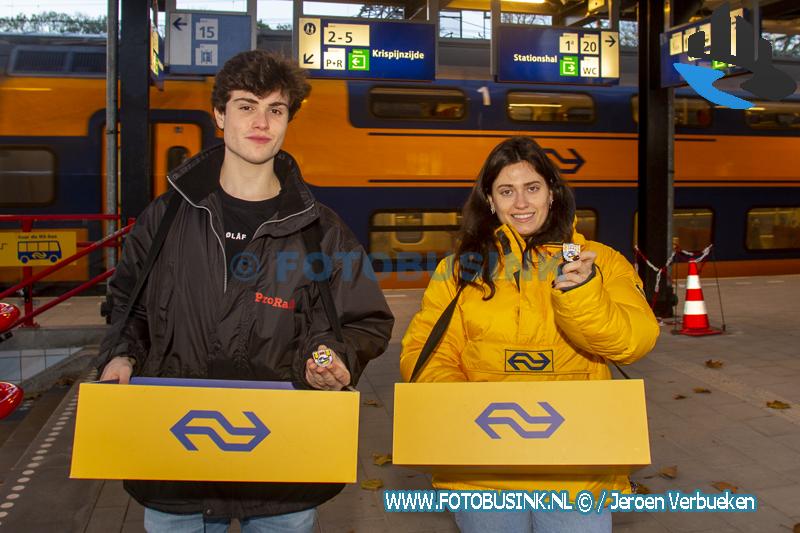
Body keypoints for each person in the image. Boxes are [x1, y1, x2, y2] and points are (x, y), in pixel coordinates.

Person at [98, 50, 394, 532]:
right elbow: (127, 305)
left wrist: (331, 355)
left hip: (282, 471)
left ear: (287, 121)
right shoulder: (167, 217)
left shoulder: (321, 230)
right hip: (176, 466)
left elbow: (366, 321)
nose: (261, 121)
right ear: (219, 115)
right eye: (245, 106)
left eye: (275, 109)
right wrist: (122, 355)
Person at [399, 136, 659, 533]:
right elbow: (426, 353)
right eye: (506, 191)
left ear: (552, 193)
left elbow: (632, 343)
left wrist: (582, 292)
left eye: (532, 188)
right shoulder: (458, 270)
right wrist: (468, 414)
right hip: (484, 467)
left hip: (575, 469)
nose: (520, 203)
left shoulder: (600, 262)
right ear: (490, 200)